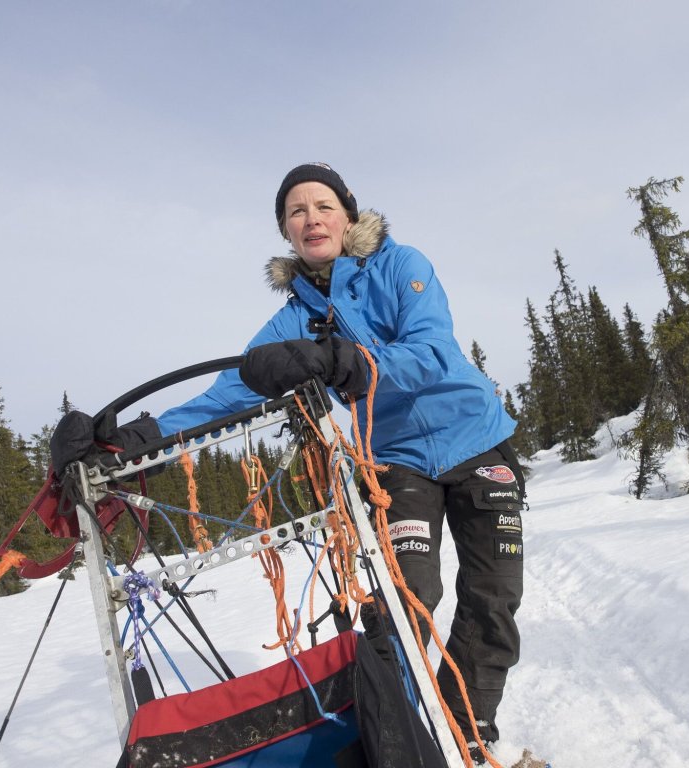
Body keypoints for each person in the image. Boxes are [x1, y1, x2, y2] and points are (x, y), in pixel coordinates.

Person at [50, 163, 525, 758]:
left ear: (347, 214)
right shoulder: (293, 319)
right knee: (407, 603)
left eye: (323, 206)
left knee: (494, 596)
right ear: (286, 230)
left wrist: (340, 360)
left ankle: (471, 727)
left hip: (477, 442)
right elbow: (229, 391)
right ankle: (399, 735)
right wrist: (137, 437)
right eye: (296, 212)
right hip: (397, 463)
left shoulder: (402, 265)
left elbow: (431, 350)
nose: (312, 219)